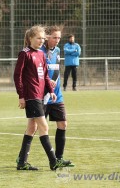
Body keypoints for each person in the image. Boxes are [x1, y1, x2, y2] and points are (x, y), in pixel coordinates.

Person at [14, 25, 70, 171]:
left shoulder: (41, 54)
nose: (41, 41)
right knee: (43, 127)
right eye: (38, 38)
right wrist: (21, 96)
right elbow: (17, 76)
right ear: (30, 38)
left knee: (31, 127)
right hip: (31, 96)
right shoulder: (24, 54)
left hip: (40, 95)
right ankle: (53, 161)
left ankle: (22, 162)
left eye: (42, 38)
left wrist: (51, 90)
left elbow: (45, 75)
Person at [41, 25, 74, 167]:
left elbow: (55, 70)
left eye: (59, 37)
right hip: (43, 95)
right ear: (47, 37)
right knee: (35, 128)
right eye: (54, 37)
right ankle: (22, 158)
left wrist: (54, 84)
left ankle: (59, 158)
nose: (57, 40)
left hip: (57, 95)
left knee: (63, 124)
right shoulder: (39, 52)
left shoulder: (58, 50)